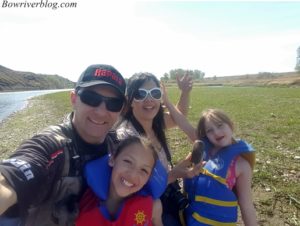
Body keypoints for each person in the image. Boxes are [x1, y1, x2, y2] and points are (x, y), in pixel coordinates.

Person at [0, 64, 127, 226]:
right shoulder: (51, 146)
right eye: (91, 98)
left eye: (113, 103)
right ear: (74, 99)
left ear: (120, 110)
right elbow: (11, 177)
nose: (101, 111)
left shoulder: (118, 146)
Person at [114, 72, 202, 226]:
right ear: (131, 101)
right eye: (141, 94)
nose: (149, 99)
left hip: (165, 193)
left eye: (155, 93)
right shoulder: (128, 136)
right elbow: (133, 184)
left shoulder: (155, 123)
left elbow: (179, 115)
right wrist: (175, 173)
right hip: (147, 206)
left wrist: (184, 92)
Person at [162, 93, 257, 225]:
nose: (216, 133)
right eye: (209, 131)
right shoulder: (203, 148)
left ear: (231, 125)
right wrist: (167, 102)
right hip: (188, 220)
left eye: (220, 125)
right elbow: (182, 122)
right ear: (205, 135)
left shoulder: (241, 165)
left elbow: (247, 206)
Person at [76, 135, 167, 226]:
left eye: (144, 170)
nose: (133, 175)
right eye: (128, 161)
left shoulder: (154, 207)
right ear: (112, 159)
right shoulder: (82, 205)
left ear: (148, 178)